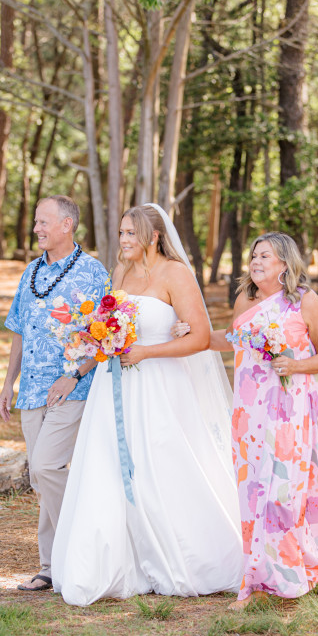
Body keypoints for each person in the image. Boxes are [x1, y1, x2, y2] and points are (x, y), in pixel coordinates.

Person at [51, 204, 244, 605]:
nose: (123, 240)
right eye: (121, 232)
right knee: (106, 465)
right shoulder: (121, 272)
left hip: (159, 384)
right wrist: (97, 340)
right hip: (114, 386)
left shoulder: (176, 274)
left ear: (153, 236)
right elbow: (108, 326)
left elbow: (199, 338)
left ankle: (181, 555)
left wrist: (146, 352)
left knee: (161, 463)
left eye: (130, 233)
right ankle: (113, 562)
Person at [209, 232, 318, 610]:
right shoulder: (246, 299)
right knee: (252, 491)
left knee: (282, 491)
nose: (256, 261)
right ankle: (256, 576)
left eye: (265, 255)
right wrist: (193, 333)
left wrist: (295, 365)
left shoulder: (305, 301)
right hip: (249, 412)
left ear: (284, 262)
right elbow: (232, 339)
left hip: (288, 413)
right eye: (254, 255)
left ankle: (286, 570)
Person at [0, 195, 108, 591]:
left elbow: (107, 335)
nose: (36, 229)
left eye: (44, 222)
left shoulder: (93, 272)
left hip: (71, 388)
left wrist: (75, 375)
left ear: (67, 225)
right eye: (36, 222)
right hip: (31, 390)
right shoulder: (30, 272)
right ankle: (50, 567)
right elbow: (18, 329)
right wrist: (8, 382)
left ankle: (78, 550)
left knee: (45, 467)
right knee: (42, 480)